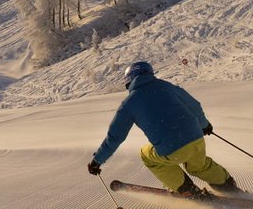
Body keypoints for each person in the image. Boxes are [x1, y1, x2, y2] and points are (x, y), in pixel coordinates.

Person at [87, 61, 240, 197]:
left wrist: (97, 161)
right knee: (199, 166)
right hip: (196, 138)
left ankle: (187, 189)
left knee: (147, 156)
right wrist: (204, 125)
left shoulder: (129, 103)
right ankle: (226, 184)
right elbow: (194, 105)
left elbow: (115, 137)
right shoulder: (166, 86)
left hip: (172, 149)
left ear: (129, 81)